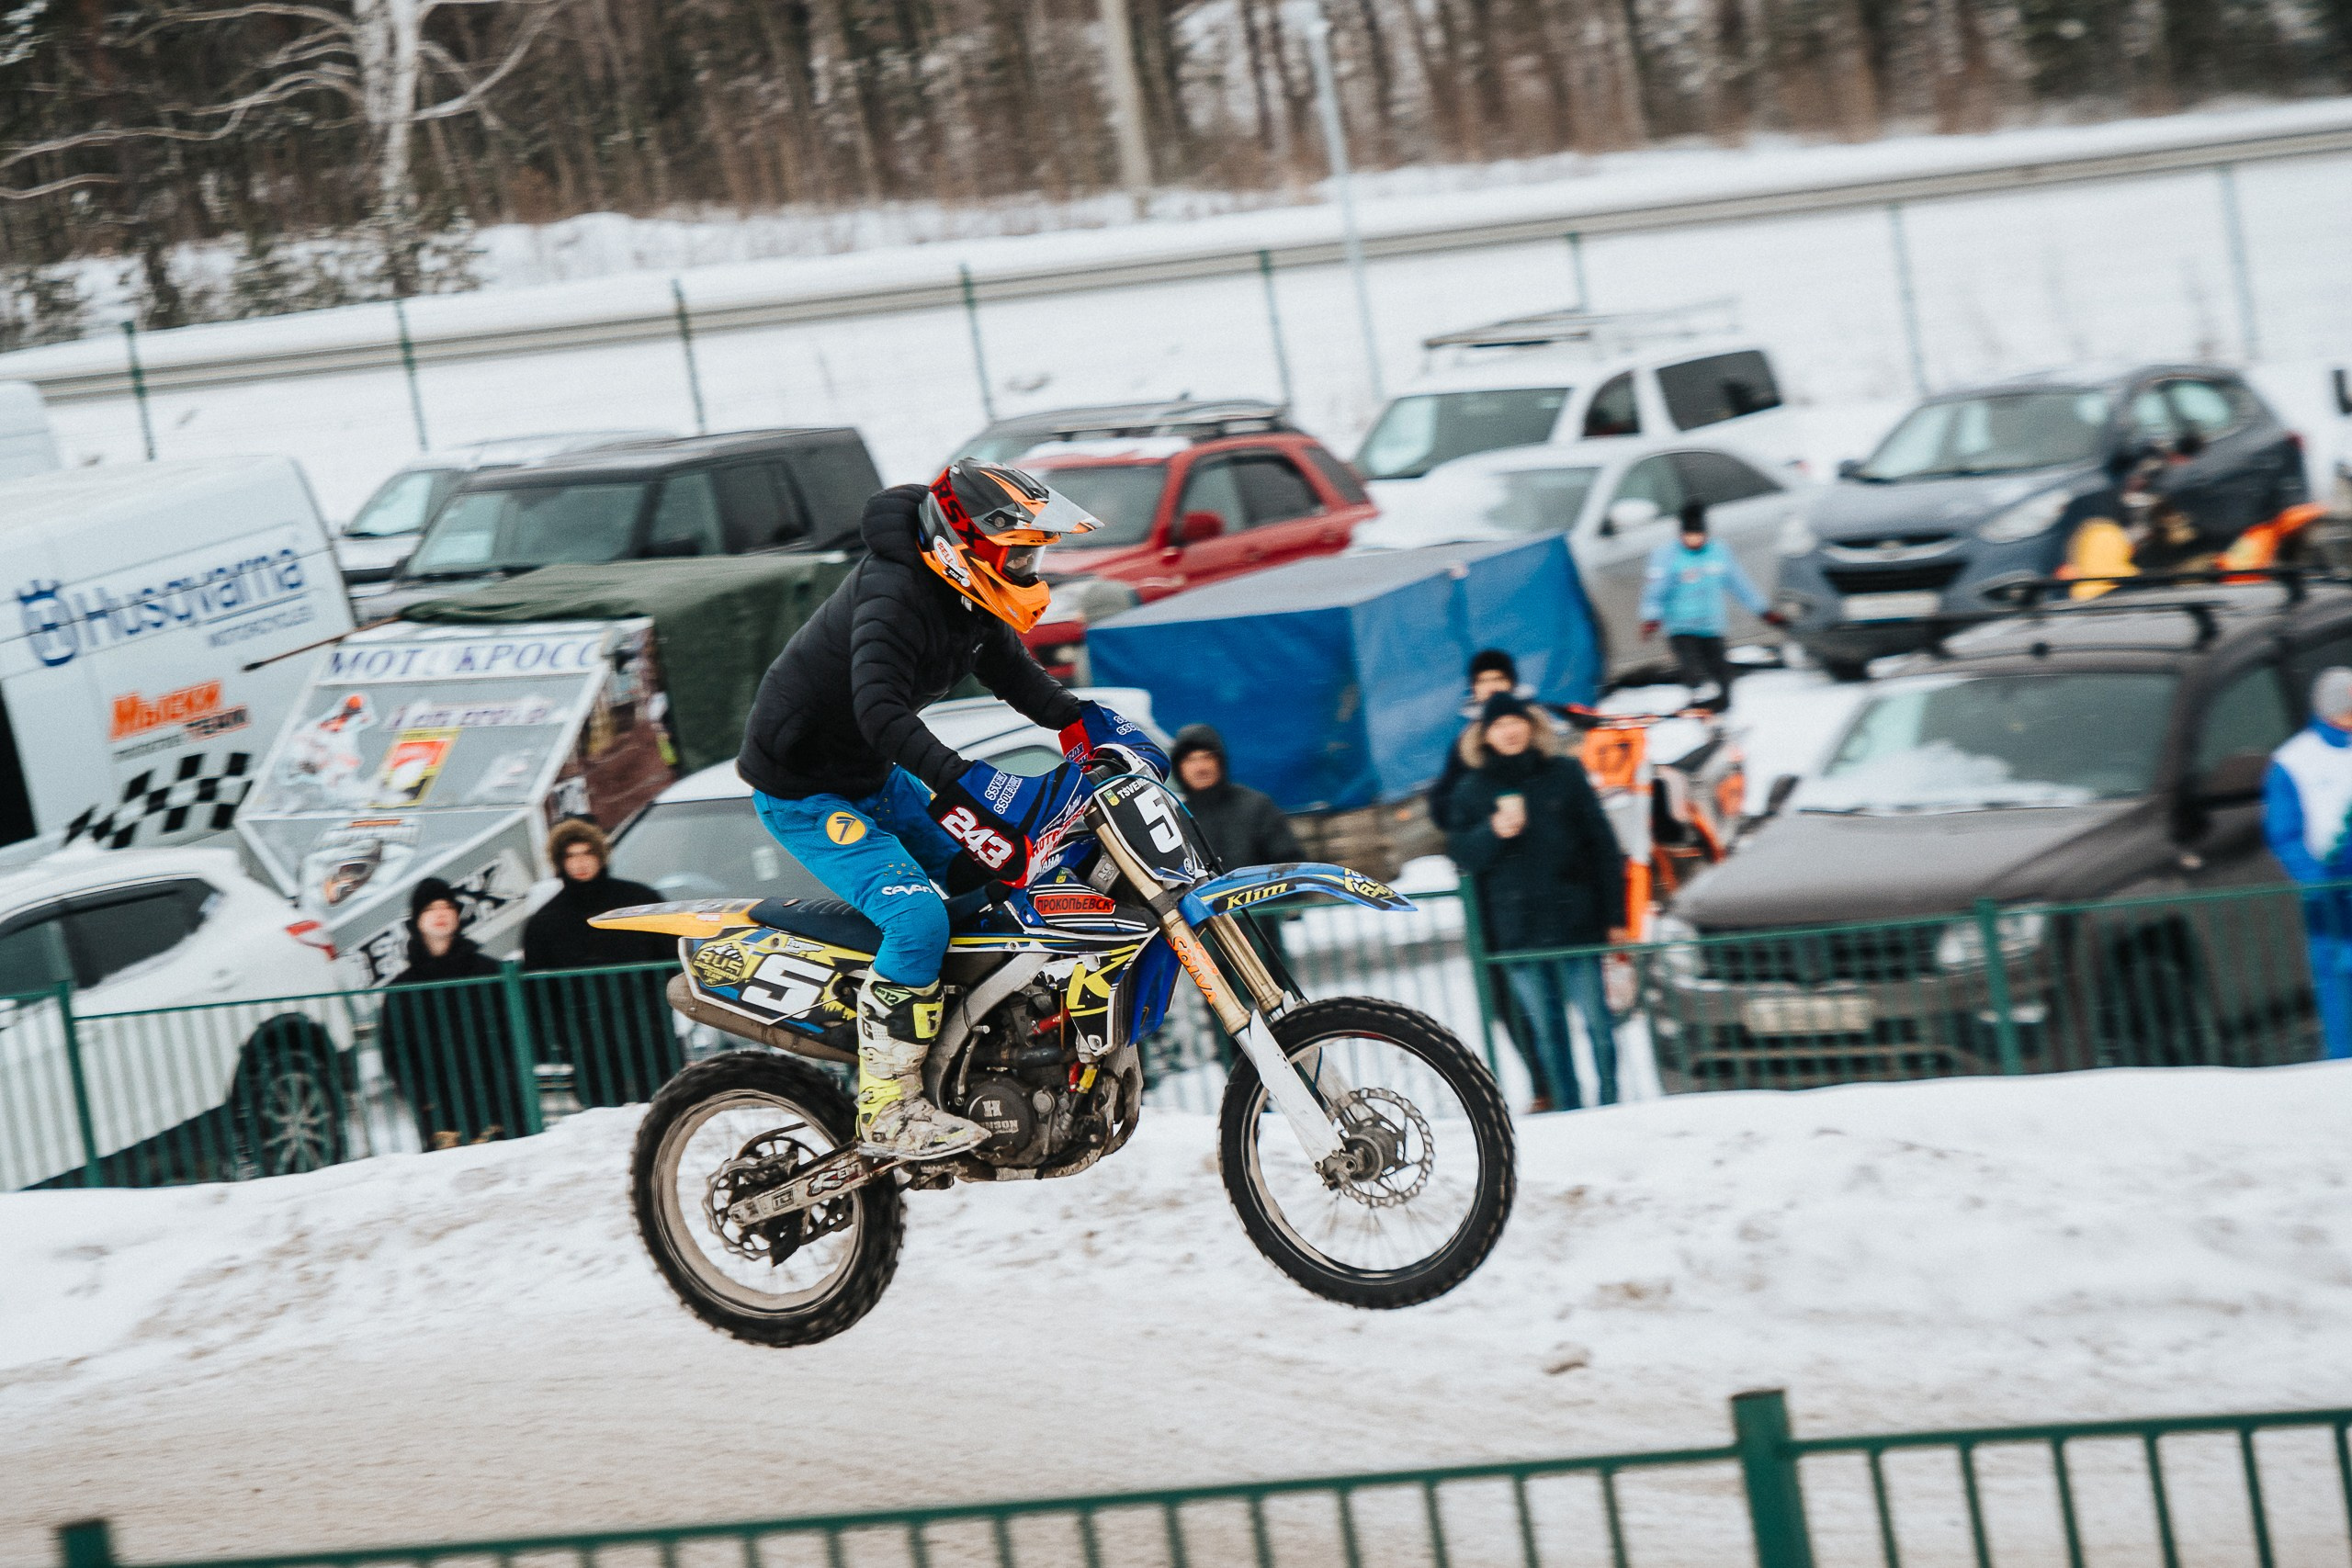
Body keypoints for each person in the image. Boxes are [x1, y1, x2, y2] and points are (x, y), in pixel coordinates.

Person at [736, 461, 1167, 1160]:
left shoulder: (964, 594)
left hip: (871, 777)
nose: (1030, 567)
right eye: (1020, 553)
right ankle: (887, 1103)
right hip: (807, 791)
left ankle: (973, 1057)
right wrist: (961, 779)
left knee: (995, 883)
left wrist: (1079, 721)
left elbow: (1008, 670)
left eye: (1035, 555)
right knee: (918, 917)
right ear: (965, 543)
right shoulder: (894, 594)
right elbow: (879, 711)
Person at [1445, 693, 1625, 1109]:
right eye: (1499, 725)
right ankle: (1570, 1112)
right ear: (1485, 736)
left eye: (1516, 721)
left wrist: (1615, 916)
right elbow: (1461, 854)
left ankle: (1614, 1106)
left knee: (1599, 1024)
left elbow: (1602, 845)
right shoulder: (1472, 790)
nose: (1510, 731)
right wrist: (1493, 830)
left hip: (1576, 923)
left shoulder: (1563, 773)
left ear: (1530, 726)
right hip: (1518, 933)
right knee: (1547, 1032)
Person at [1426, 649, 1551, 1108]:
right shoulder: (1466, 745)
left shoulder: (1536, 731)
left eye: (1500, 678)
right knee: (1504, 996)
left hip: (1541, 884)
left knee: (1550, 992)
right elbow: (1442, 809)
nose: (1491, 686)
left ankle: (1564, 1082)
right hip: (1490, 885)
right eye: (1483, 680)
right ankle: (1543, 1082)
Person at [521, 818, 681, 1106]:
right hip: (588, 1039)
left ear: (601, 855)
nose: (580, 862)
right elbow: (539, 991)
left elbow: (672, 957)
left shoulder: (640, 901)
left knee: (668, 1109)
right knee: (602, 1119)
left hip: (648, 1029)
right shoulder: (544, 922)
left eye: (587, 853)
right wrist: (561, 1035)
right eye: (571, 856)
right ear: (559, 862)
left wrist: (660, 1005)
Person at [379, 878, 527, 1148]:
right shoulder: (400, 990)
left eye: (447, 906)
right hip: (440, 1110)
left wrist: (508, 1081)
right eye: (430, 908)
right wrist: (421, 1096)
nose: (440, 914)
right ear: (416, 921)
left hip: (498, 1105)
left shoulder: (490, 972)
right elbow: (396, 1053)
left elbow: (514, 1032)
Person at [2263, 667, 2352, 1061]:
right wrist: (2320, 881)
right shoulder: (2293, 761)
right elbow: (2285, 835)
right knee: (2338, 982)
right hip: (2331, 898)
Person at [1639, 501, 1780, 713]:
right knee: (1694, 672)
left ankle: (1722, 714)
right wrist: (1651, 618)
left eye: (1698, 535)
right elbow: (1655, 592)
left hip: (1711, 627)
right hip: (1681, 627)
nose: (1694, 540)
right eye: (1689, 535)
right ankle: (1699, 704)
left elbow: (1739, 584)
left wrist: (1764, 611)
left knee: (1722, 675)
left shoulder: (1718, 552)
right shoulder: (1667, 556)